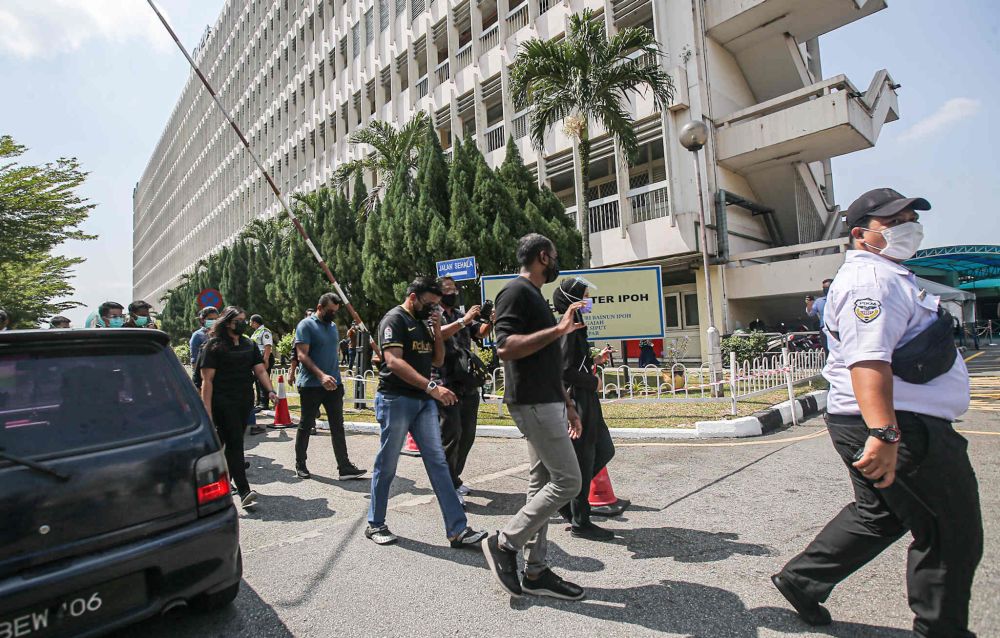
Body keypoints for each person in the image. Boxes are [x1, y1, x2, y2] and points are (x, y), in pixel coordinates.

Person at [772, 188, 981, 637]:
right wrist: (885, 434)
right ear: (861, 234)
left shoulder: (888, 274)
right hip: (898, 423)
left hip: (878, 418)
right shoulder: (872, 282)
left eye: (910, 217)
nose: (908, 226)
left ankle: (802, 580)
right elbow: (869, 361)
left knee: (881, 515)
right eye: (894, 220)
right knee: (949, 531)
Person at [481, 233, 586, 601]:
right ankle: (506, 542)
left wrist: (568, 405)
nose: (556, 261)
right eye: (554, 255)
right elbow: (505, 347)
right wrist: (558, 329)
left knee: (542, 483)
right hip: (532, 404)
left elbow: (547, 360)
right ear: (543, 256)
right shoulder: (515, 292)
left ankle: (537, 570)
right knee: (569, 481)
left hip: (549, 401)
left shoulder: (534, 297)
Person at [366, 276, 487, 549]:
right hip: (396, 399)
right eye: (430, 304)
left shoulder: (426, 322)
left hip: (422, 401)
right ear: (413, 297)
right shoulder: (394, 320)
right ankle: (375, 523)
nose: (433, 309)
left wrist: (436, 331)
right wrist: (432, 387)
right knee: (387, 463)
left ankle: (457, 529)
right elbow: (394, 362)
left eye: (436, 305)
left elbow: (438, 359)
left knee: (439, 463)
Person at [552, 276, 616, 541]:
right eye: (584, 296)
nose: (588, 300)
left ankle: (567, 504)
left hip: (587, 398)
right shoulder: (568, 330)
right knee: (583, 458)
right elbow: (564, 370)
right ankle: (580, 519)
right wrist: (593, 380)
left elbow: (575, 363)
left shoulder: (578, 328)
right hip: (577, 400)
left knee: (603, 450)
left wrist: (595, 360)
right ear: (572, 301)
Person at [199, 306, 277, 510]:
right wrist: (206, 410)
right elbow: (207, 381)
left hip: (244, 401)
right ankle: (243, 490)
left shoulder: (248, 344)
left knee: (227, 444)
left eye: (244, 320)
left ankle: (215, 487)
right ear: (227, 323)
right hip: (222, 402)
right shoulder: (213, 346)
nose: (242, 323)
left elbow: (260, 370)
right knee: (235, 444)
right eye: (238, 321)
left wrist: (270, 390)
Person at [293, 294, 366, 480]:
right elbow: (302, 355)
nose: (333, 315)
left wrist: (334, 378)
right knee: (306, 424)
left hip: (334, 385)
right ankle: (300, 464)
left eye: (335, 311)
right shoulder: (305, 325)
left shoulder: (332, 327)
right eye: (330, 311)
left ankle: (344, 467)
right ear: (320, 307)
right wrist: (321, 375)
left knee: (337, 426)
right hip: (311, 385)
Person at [435, 276, 492, 505]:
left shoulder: (460, 315)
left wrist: (490, 320)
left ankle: (454, 478)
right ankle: (446, 487)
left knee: (467, 434)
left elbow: (480, 333)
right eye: (448, 289)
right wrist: (465, 320)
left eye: (454, 288)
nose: (453, 292)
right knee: (451, 435)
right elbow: (436, 335)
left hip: (467, 382)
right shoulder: (433, 314)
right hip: (446, 383)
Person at [249, 315, 275, 410]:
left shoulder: (265, 331)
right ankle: (259, 402)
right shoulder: (256, 332)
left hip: (264, 357)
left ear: (255, 322)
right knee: (257, 380)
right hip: (257, 358)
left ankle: (264, 403)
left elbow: (267, 346)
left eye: (251, 322)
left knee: (263, 380)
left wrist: (266, 360)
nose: (250, 324)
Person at [806, 278, 834, 354]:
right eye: (824, 288)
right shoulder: (819, 301)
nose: (825, 290)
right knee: (827, 349)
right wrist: (809, 303)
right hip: (824, 328)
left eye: (827, 288)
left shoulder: (839, 298)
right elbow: (811, 313)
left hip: (837, 328)